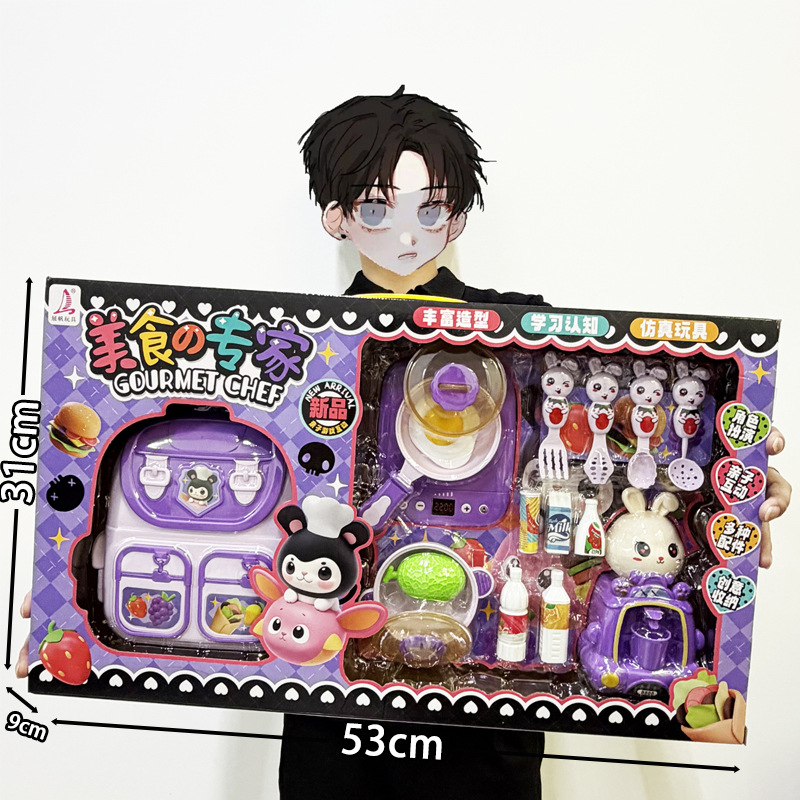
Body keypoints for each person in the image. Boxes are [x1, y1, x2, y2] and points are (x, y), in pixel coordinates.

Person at [16, 87, 791, 800]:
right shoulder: (293, 347)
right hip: (336, 722)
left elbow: (629, 431)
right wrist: (83, 564)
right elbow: (205, 483)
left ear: (457, 216)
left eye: (434, 206)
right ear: (336, 216)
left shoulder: (529, 334)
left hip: (486, 724)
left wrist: (732, 485)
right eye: (376, 206)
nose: (408, 230)